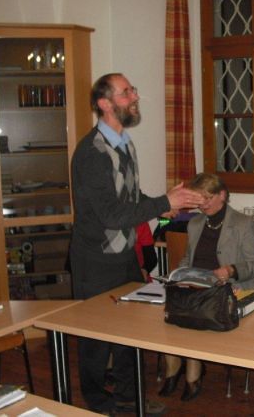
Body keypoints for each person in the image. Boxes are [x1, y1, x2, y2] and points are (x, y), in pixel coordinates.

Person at [70, 72, 204, 415]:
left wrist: (165, 206)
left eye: (133, 90)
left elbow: (129, 198)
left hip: (124, 256)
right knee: (96, 340)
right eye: (126, 92)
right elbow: (111, 215)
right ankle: (98, 405)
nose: (135, 97)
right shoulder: (92, 153)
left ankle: (130, 398)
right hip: (96, 261)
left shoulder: (124, 144)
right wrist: (164, 202)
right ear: (105, 103)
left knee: (130, 333)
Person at [159, 172, 254, 401]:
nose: (202, 204)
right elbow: (188, 259)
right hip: (196, 286)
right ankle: (173, 370)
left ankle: (192, 373)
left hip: (226, 290)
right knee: (171, 313)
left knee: (193, 314)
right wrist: (177, 276)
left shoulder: (243, 223)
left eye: (207, 198)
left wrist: (230, 270)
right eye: (199, 198)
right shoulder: (195, 223)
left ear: (222, 195)